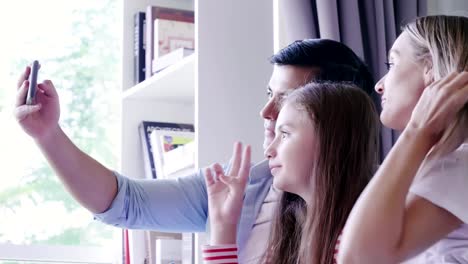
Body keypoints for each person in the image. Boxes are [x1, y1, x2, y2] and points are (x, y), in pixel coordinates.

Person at [14, 39, 374, 263]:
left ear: (335, 114)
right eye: (269, 96)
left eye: (286, 102)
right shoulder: (241, 186)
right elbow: (126, 202)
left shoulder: (379, 215)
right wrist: (48, 135)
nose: (265, 113)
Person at [201, 81, 379, 264]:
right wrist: (223, 226)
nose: (269, 150)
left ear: (331, 139)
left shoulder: (361, 244)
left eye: (285, 134)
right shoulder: (293, 235)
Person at [338, 15, 468, 263]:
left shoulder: (460, 164)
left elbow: (357, 257)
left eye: (392, 64)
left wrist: (418, 130)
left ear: (430, 67)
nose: (378, 85)